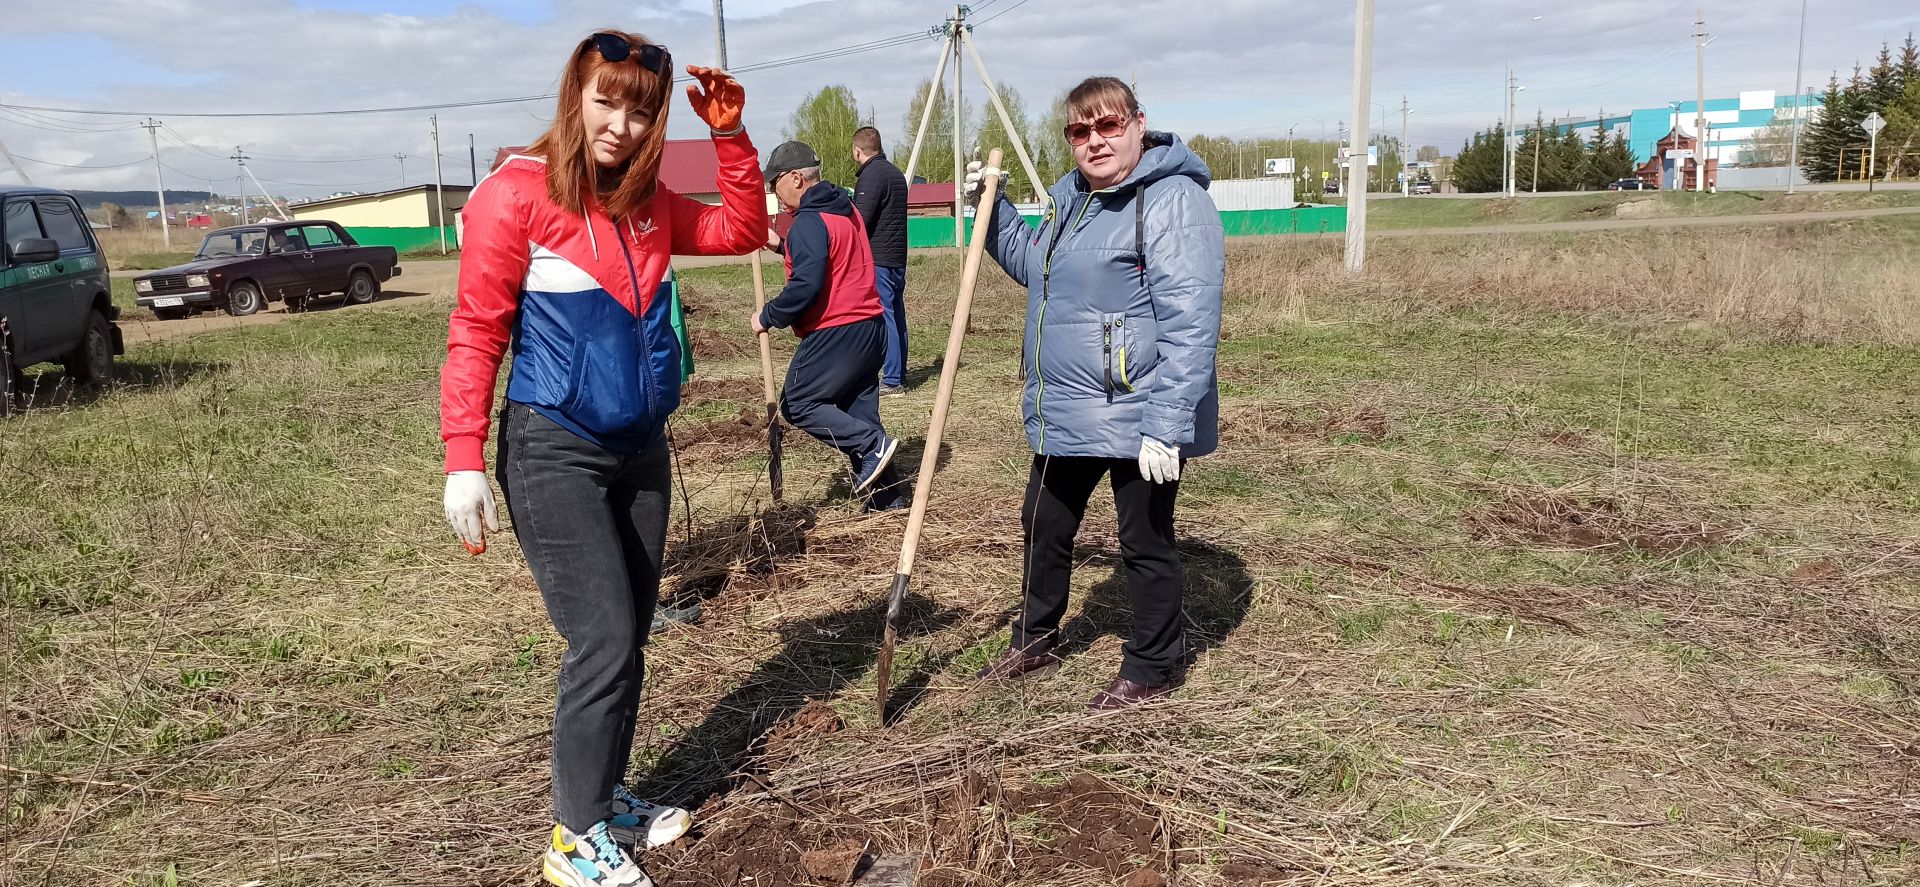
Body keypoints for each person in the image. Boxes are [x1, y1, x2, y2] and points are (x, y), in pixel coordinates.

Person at [438, 29, 765, 887]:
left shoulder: (649, 202)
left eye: (641, 109)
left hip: (640, 449)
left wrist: (729, 138)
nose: (620, 124)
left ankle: (605, 793)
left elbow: (742, 229)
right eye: (605, 100)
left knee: (630, 639)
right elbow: (475, 332)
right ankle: (572, 840)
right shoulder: (516, 195)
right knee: (605, 636)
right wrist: (463, 457)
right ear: (574, 96)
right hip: (555, 451)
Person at [966, 76, 1224, 710]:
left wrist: (1168, 422)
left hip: (1139, 408)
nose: (1096, 141)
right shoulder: (1072, 201)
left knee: (1144, 537)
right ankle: (1035, 638)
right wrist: (992, 209)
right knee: (1044, 523)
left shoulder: (1171, 201)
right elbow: (1035, 267)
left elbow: (1192, 322)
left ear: (1139, 123)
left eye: (1109, 125)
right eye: (1080, 131)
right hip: (1071, 407)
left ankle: (1154, 661)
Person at [754, 140, 904, 509]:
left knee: (800, 402)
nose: (775, 194)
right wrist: (780, 246)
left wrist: (767, 316)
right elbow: (830, 253)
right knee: (859, 412)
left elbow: (807, 285)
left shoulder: (808, 220)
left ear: (795, 179)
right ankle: (889, 500)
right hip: (871, 327)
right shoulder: (845, 210)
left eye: (775, 184)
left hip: (837, 329)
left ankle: (873, 446)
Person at [850, 126, 910, 397]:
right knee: (896, 315)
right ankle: (899, 372)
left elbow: (861, 220)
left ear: (857, 151)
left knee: (886, 316)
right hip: (897, 257)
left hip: (880, 259)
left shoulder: (871, 176)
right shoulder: (896, 174)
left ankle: (893, 379)